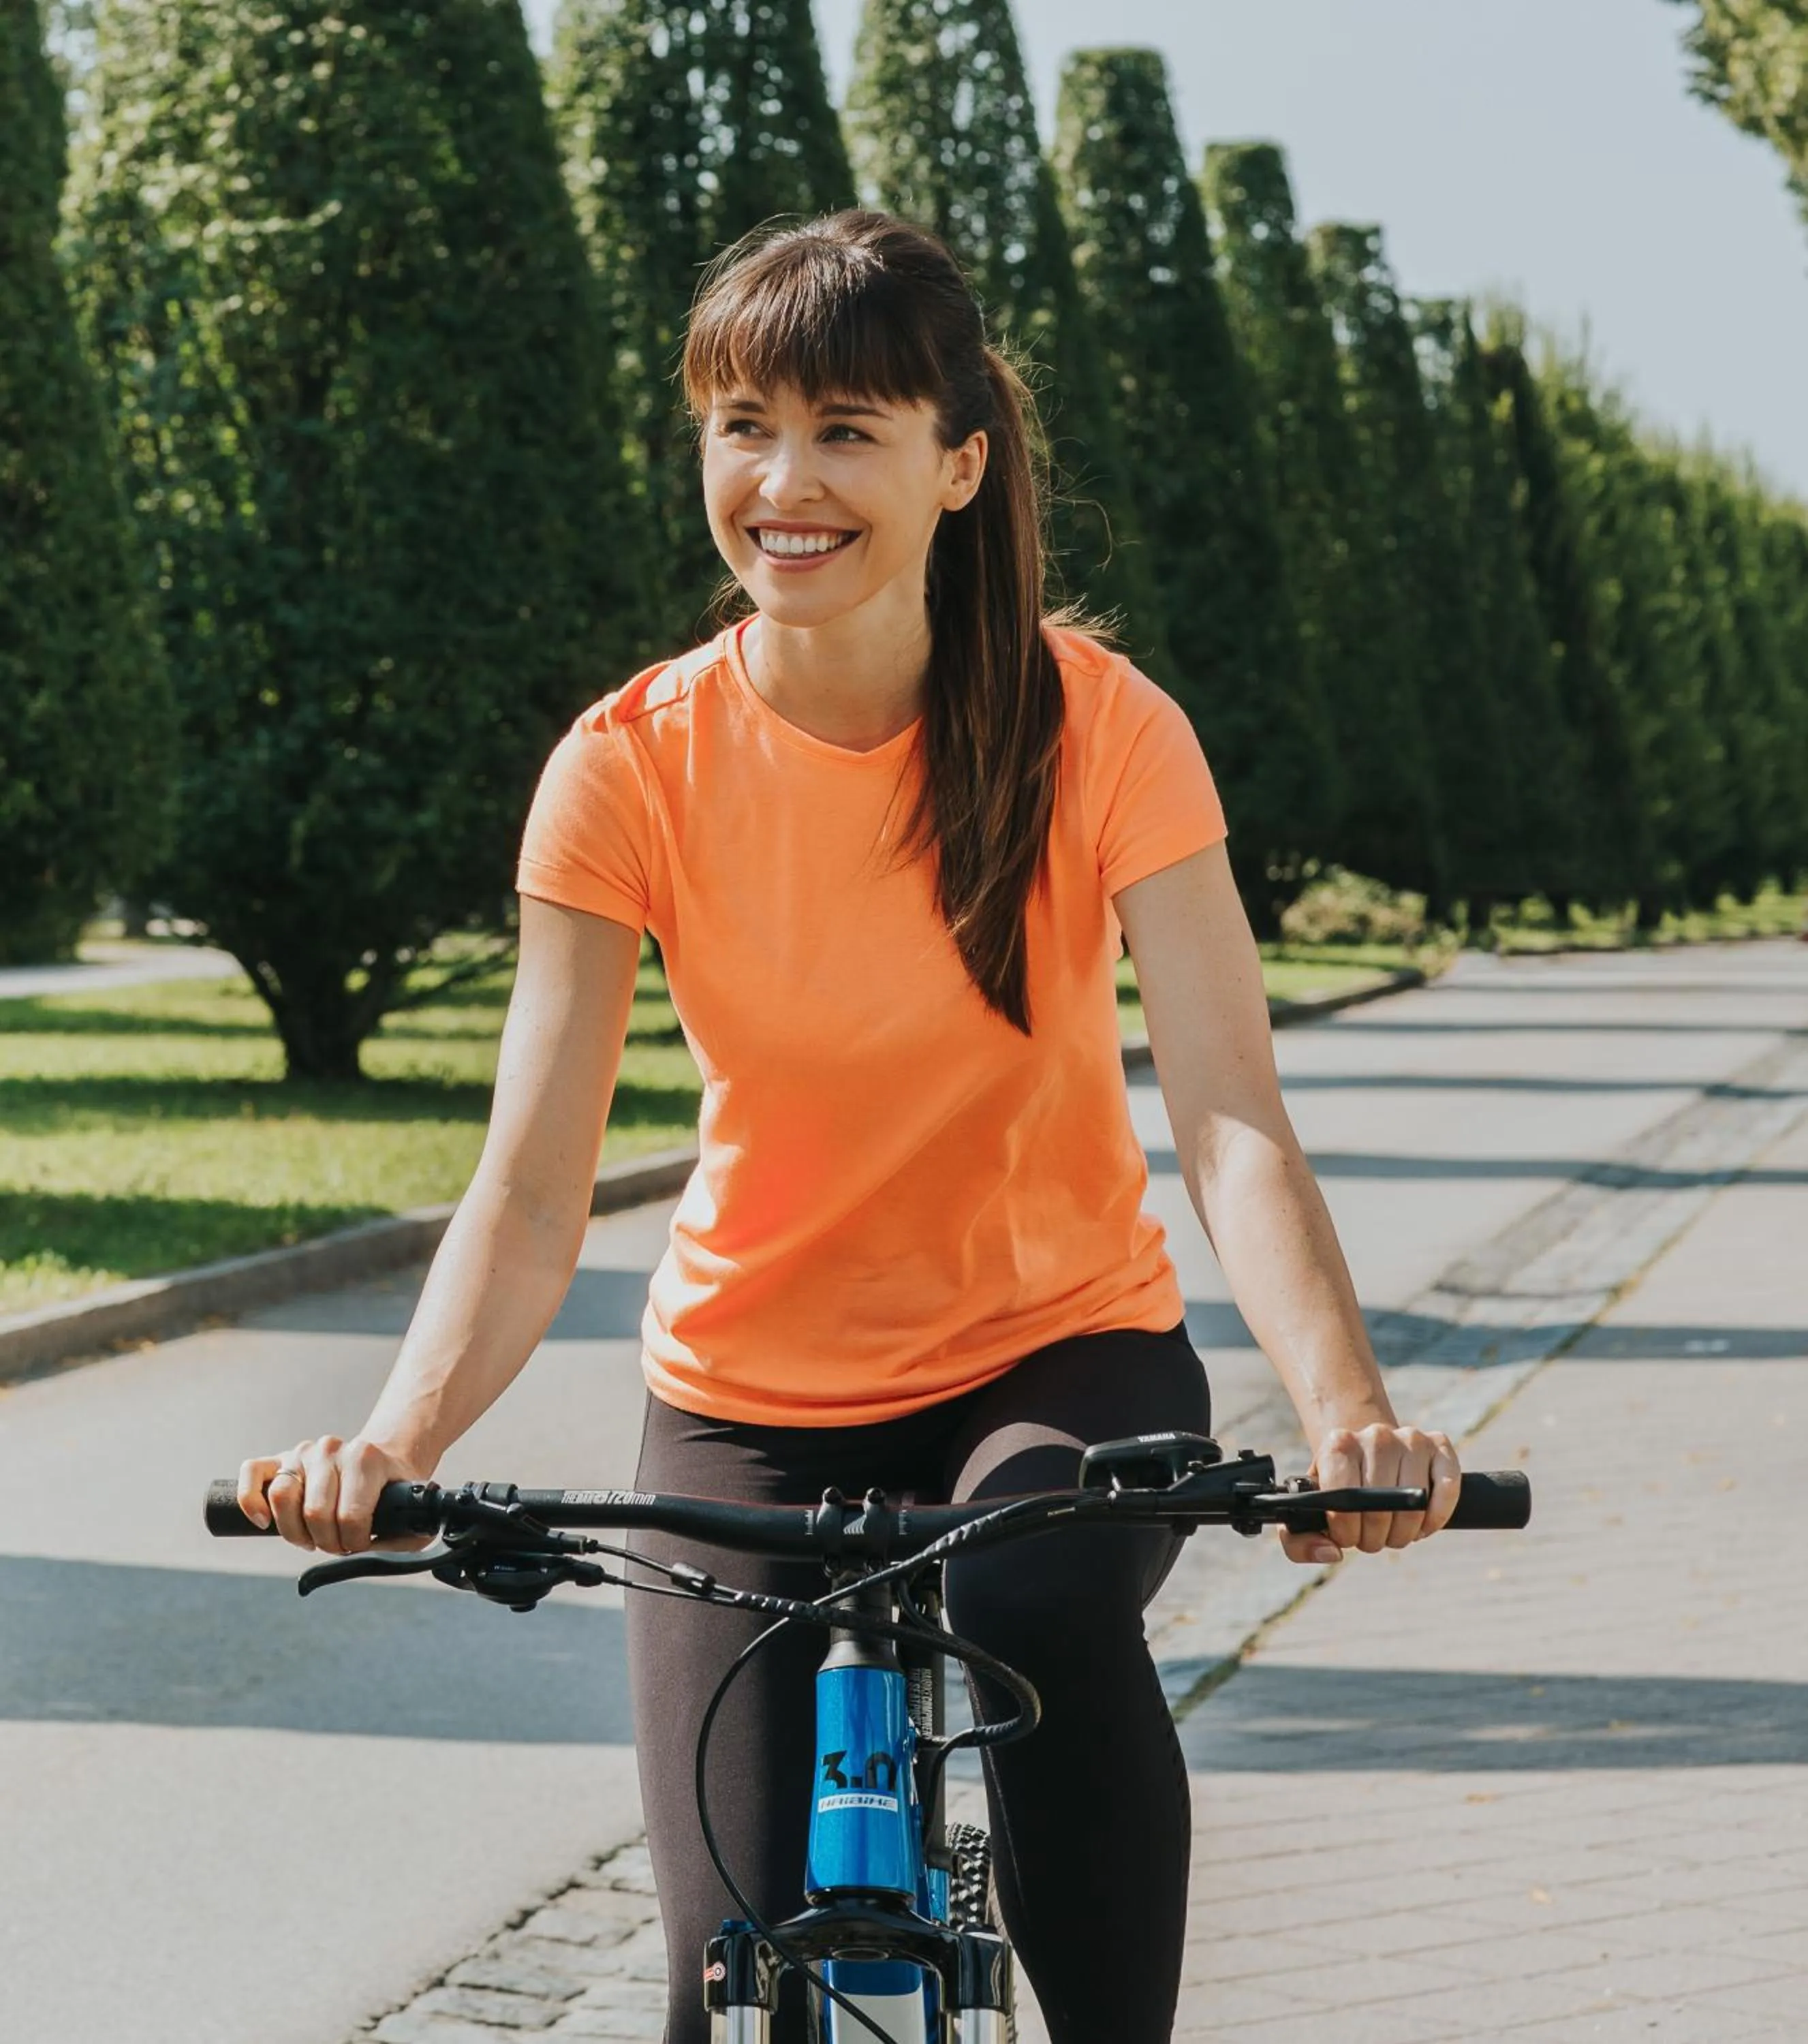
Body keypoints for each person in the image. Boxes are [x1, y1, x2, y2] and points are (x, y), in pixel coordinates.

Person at [239, 210, 1461, 2044]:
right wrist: (393, 1441)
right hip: (742, 1396)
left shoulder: (1102, 728)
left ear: (957, 463)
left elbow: (1228, 1119)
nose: (781, 481)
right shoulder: (625, 764)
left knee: (1032, 1594)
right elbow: (532, 1174)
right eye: (742, 426)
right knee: (712, 1982)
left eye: (844, 430)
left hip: (1061, 1365)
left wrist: (1346, 1411)